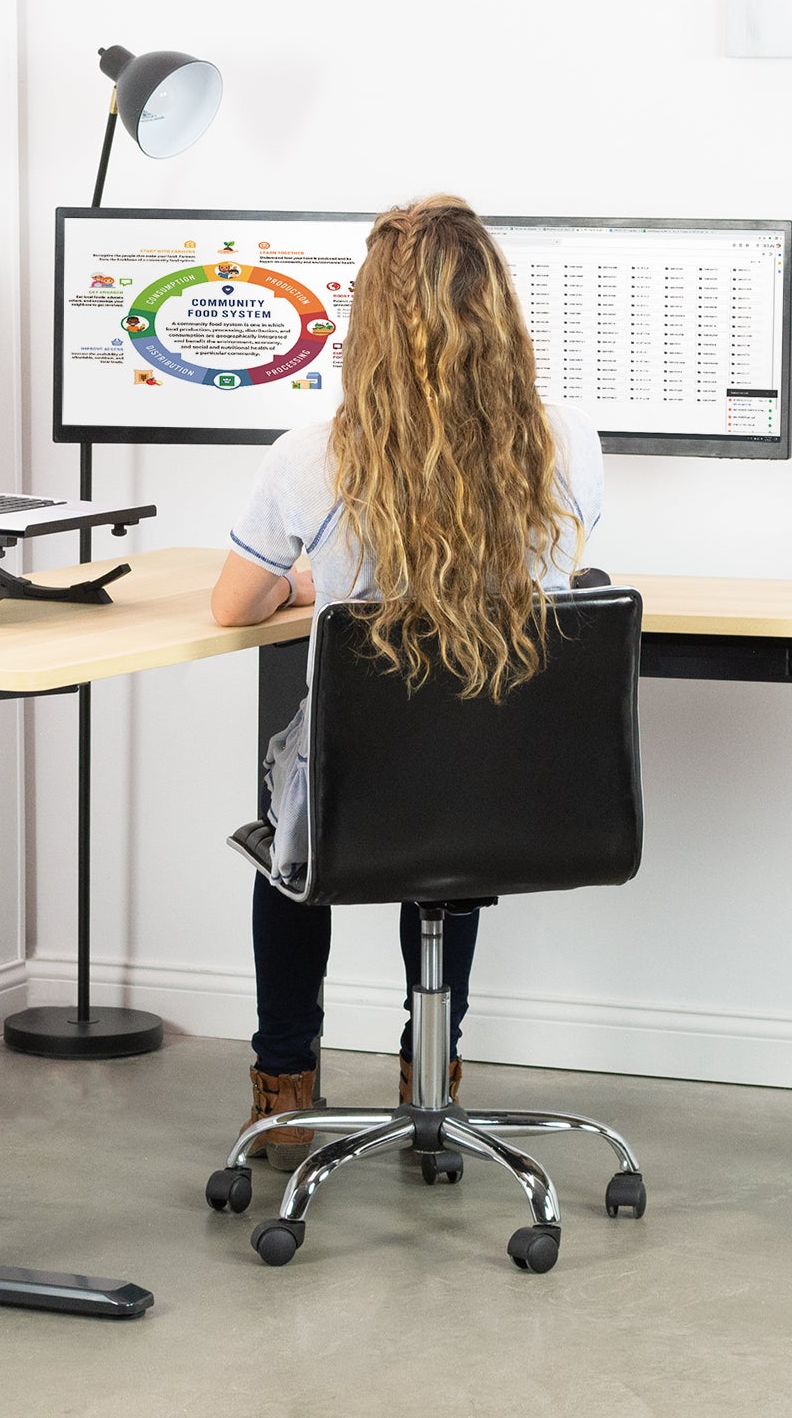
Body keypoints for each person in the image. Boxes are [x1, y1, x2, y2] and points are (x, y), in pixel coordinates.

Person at [210, 194, 602, 1168]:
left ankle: (284, 1084)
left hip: (359, 787)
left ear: (367, 322)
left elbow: (231, 604)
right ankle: (431, 1077)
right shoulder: (564, 443)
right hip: (504, 777)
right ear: (496, 308)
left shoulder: (311, 455)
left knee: (291, 843)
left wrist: (308, 576)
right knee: (449, 842)